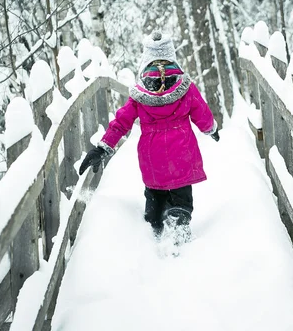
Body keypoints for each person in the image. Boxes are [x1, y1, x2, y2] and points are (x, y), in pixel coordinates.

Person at [78, 31, 219, 244]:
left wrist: (103, 148)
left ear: (146, 58)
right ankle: (179, 231)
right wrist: (211, 129)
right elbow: (203, 114)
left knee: (154, 211)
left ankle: (152, 238)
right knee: (182, 204)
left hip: (153, 163)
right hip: (182, 158)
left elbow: (121, 122)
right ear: (171, 55)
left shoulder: (139, 94)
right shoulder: (186, 87)